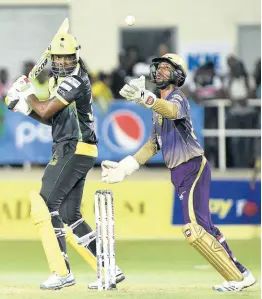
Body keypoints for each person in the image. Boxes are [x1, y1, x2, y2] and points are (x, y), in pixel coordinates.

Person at [101, 53, 256, 292]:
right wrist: (126, 167)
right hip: (180, 170)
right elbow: (153, 144)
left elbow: (172, 111)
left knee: (193, 229)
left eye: (167, 67)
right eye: (159, 67)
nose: (161, 71)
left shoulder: (177, 97)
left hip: (192, 166)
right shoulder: (157, 109)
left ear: (177, 74)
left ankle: (237, 276)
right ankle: (240, 273)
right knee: (204, 227)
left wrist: (146, 98)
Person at [5, 33, 124, 290]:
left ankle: (62, 272)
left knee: (46, 205)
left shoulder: (75, 79)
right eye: (58, 56)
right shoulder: (59, 82)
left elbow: (46, 109)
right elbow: (50, 118)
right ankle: (109, 268)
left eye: (67, 56)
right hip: (76, 148)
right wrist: (25, 106)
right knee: (71, 214)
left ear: (75, 57)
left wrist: (28, 94)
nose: (62, 61)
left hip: (73, 148)